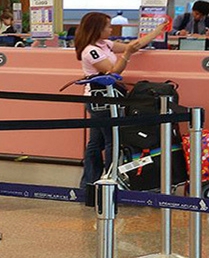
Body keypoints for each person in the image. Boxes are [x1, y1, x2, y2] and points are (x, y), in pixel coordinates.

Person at [72, 11, 168, 207]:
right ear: (97, 29)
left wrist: (157, 30)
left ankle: (89, 184)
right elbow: (112, 71)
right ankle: (108, 182)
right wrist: (126, 55)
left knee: (96, 142)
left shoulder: (104, 45)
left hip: (107, 99)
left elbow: (134, 45)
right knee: (110, 141)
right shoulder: (91, 51)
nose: (111, 29)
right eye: (107, 26)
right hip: (100, 100)